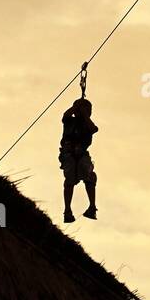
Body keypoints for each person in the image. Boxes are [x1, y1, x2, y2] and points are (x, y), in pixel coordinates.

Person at [60, 63, 98, 222]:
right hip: (68, 153)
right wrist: (75, 108)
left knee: (89, 176)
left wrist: (84, 114)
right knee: (69, 180)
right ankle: (67, 210)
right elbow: (65, 115)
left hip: (81, 154)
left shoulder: (87, 124)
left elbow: (94, 128)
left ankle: (92, 207)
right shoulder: (70, 121)